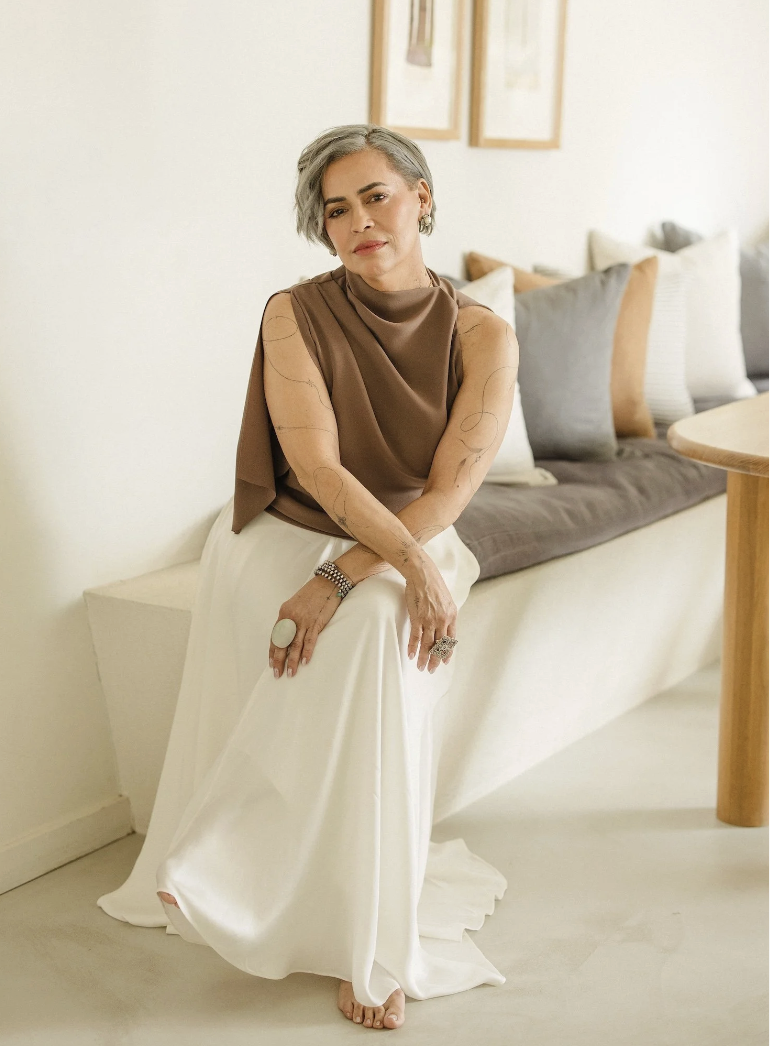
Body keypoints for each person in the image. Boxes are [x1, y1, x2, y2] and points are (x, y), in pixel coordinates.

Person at [97, 123, 518, 1032]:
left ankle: (365, 936)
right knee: (361, 628)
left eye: (377, 196)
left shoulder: (484, 334)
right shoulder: (292, 312)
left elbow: (449, 492)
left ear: (422, 199)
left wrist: (361, 576)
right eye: (336, 210)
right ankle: (229, 862)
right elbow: (319, 471)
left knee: (371, 629)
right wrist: (370, 571)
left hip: (410, 534)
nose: (359, 220)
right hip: (288, 531)